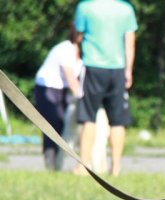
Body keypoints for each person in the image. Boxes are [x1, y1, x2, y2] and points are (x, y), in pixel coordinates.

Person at [73, 0, 137, 176]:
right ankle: (116, 167)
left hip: (93, 66)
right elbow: (129, 42)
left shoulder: (85, 7)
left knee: (88, 118)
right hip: (117, 69)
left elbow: (77, 37)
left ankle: (84, 166)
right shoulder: (126, 9)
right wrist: (128, 70)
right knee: (118, 121)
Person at [34, 27, 83, 171]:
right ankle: (51, 164)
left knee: (63, 124)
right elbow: (71, 78)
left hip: (62, 89)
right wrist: (84, 100)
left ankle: (58, 165)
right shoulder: (66, 49)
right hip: (47, 87)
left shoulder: (83, 53)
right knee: (52, 124)